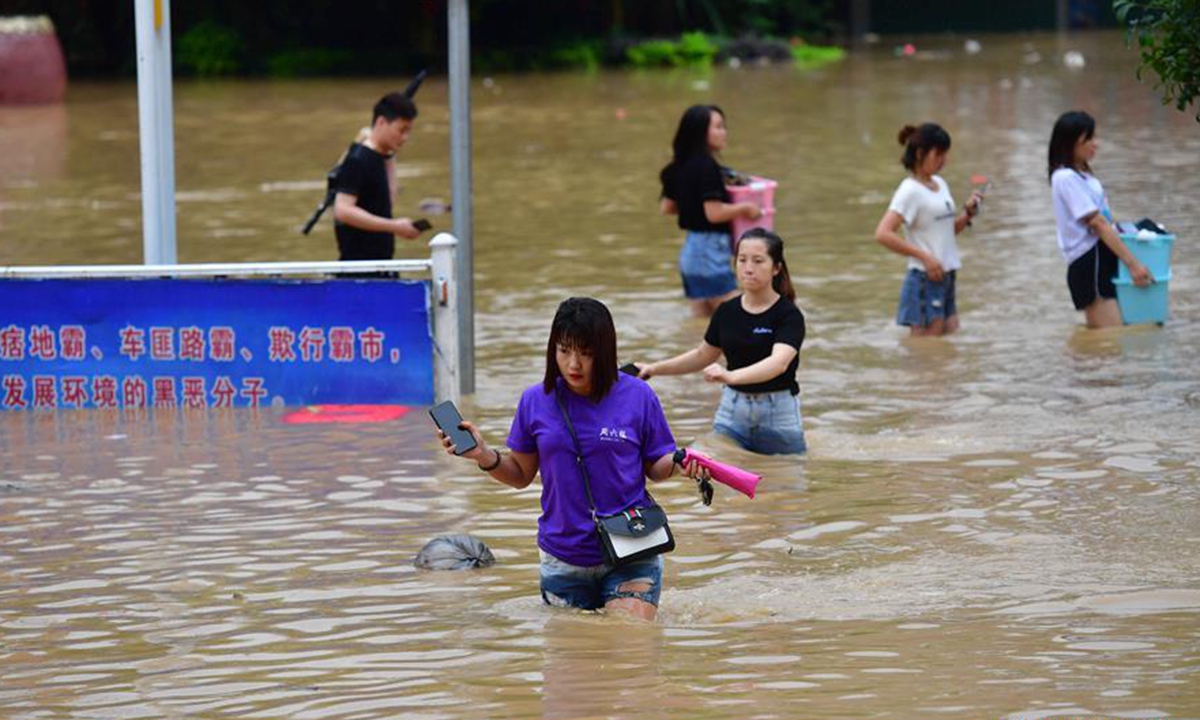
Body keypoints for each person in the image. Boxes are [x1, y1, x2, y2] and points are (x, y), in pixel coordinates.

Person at [437, 297, 708, 621]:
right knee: (573, 660)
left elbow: (656, 467)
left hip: (632, 549)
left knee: (631, 652)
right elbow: (521, 474)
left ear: (605, 352)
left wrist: (680, 463)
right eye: (564, 351)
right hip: (563, 557)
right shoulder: (535, 401)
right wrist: (482, 454)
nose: (574, 364)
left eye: (586, 353)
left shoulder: (638, 395)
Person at [639, 228, 807, 456]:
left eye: (758, 261)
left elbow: (778, 364)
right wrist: (654, 368)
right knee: (722, 478)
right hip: (731, 413)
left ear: (776, 268)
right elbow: (702, 355)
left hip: (778, 415)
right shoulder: (726, 311)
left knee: (784, 485)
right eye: (742, 260)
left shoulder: (788, 314)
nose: (748, 268)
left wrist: (730, 376)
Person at [873, 123, 983, 337]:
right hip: (925, 278)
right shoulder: (909, 190)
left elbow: (945, 231)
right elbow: (883, 233)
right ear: (921, 153)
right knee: (926, 351)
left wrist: (968, 214)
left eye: (945, 154)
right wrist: (925, 257)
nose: (944, 160)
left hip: (947, 274)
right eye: (939, 154)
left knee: (948, 340)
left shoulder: (940, 183)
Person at [1048, 110, 1152, 328]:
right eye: (1089, 138)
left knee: (1110, 342)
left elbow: (1105, 219)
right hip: (1089, 261)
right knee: (1108, 340)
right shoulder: (1065, 177)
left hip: (1100, 257)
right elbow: (1097, 223)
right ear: (1071, 143)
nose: (1095, 144)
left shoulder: (1082, 175)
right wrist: (1133, 264)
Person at [659, 105, 761, 318]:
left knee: (703, 324)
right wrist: (746, 208)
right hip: (709, 252)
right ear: (700, 132)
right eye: (718, 127)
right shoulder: (707, 167)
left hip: (690, 253)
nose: (724, 132)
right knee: (741, 319)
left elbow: (667, 207)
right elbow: (714, 214)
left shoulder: (675, 167)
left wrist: (692, 205)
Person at [332, 92, 423, 262]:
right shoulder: (358, 159)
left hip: (382, 264)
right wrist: (394, 226)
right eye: (401, 130)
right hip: (358, 269)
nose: (405, 137)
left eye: (408, 131)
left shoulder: (380, 158)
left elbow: (388, 202)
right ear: (381, 122)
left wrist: (391, 156)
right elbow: (342, 210)